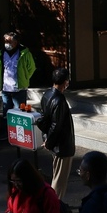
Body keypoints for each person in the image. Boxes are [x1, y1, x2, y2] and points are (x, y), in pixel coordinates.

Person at [35, 68, 76, 201]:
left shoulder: (47, 95)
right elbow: (56, 125)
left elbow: (46, 120)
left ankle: (53, 204)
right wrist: (49, 142)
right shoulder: (59, 100)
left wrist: (47, 139)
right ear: (65, 82)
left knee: (57, 175)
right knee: (59, 180)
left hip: (55, 144)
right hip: (61, 146)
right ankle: (54, 205)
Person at [0, 31, 36, 124]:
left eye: (9, 42)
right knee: (6, 114)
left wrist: (25, 77)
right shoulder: (1, 53)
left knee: (20, 114)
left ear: (15, 42)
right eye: (5, 41)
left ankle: (20, 131)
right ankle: (6, 131)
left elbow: (32, 67)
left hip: (19, 88)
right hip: (6, 88)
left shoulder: (24, 53)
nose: (7, 44)